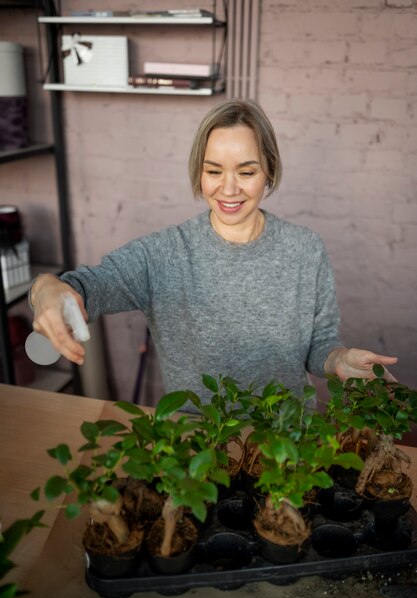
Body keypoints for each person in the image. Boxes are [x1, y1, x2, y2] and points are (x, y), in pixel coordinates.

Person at [29, 99, 397, 402]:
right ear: (199, 172)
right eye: (214, 171)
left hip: (287, 444)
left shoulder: (305, 249)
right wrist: (47, 288)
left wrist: (339, 360)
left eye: (247, 172)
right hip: (196, 449)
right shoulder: (164, 254)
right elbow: (89, 287)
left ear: (269, 170)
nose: (229, 188)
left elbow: (320, 346)